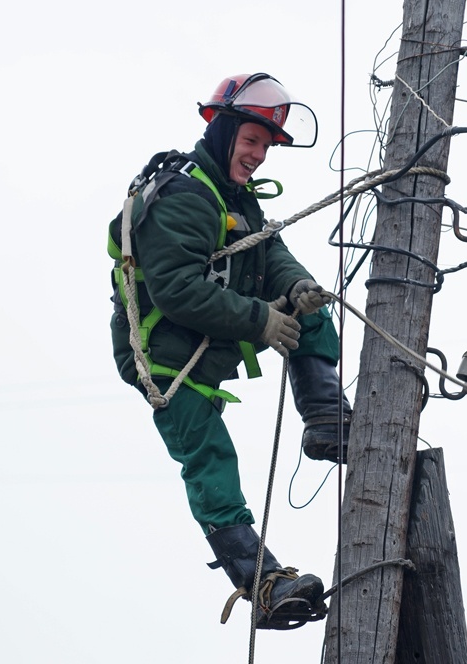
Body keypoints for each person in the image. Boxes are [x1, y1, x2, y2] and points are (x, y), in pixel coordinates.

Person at [107, 73, 352, 629]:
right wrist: (260, 319)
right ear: (221, 131)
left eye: (266, 146)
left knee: (310, 311)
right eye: (251, 142)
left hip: (209, 336)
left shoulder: (236, 201)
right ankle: (262, 584)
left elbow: (272, 256)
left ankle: (326, 418)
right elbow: (175, 289)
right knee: (211, 463)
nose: (259, 155)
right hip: (167, 358)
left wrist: (293, 292)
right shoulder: (186, 195)